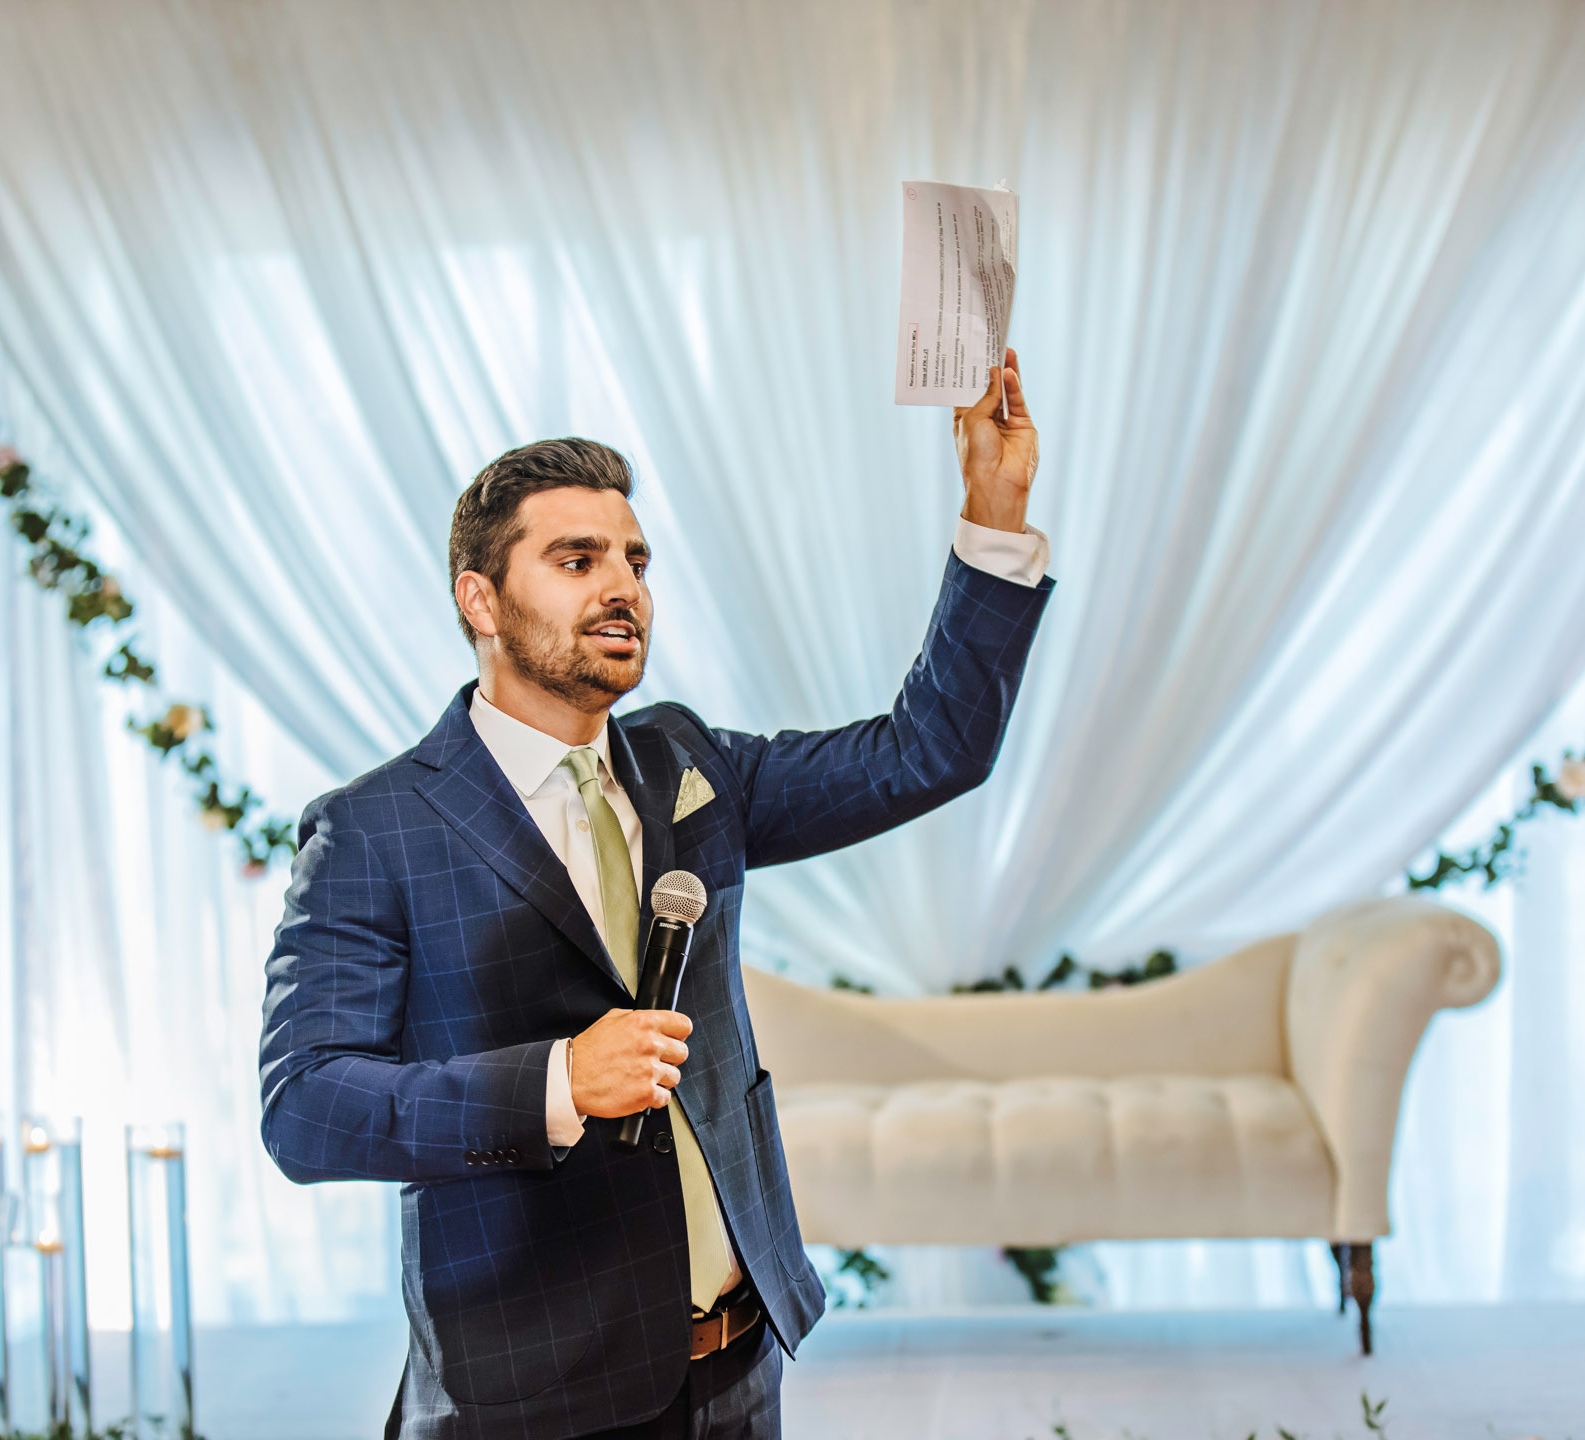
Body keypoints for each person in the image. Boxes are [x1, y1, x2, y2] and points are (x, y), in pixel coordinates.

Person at [259, 351, 1054, 1439]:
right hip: (531, 1394)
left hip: (737, 1367)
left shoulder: (689, 764)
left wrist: (993, 514)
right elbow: (307, 1107)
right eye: (577, 559)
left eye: (634, 558)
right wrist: (556, 1082)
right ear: (479, 599)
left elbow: (929, 750)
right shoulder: (372, 829)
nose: (623, 585)